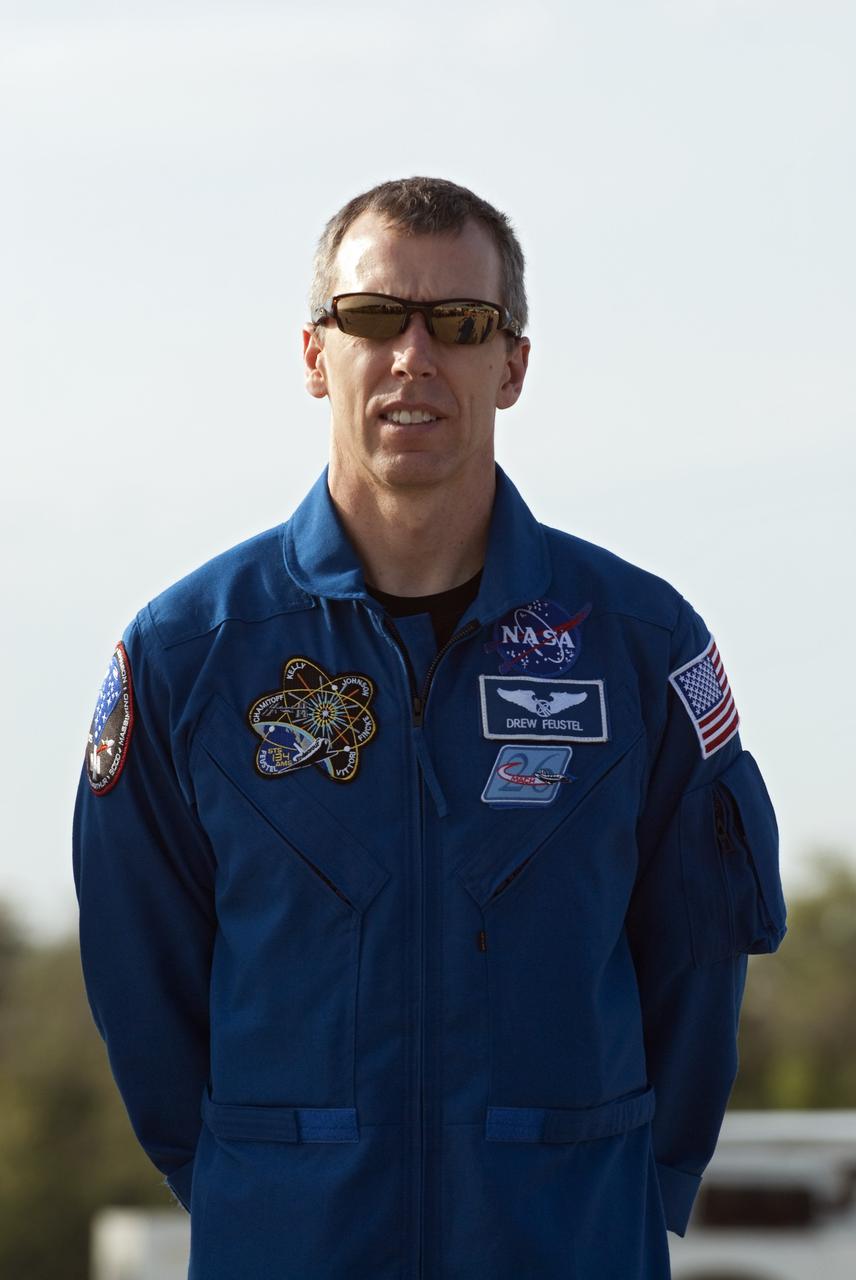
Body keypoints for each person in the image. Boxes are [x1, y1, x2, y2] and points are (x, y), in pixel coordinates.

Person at [73, 176, 787, 1280]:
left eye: (459, 322)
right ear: (316, 355)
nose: (414, 355)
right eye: (373, 317)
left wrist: (611, 1193)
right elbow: (144, 988)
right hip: (291, 1246)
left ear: (512, 365)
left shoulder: (640, 644)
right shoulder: (187, 656)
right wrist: (265, 1186)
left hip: (567, 1245)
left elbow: (695, 970)